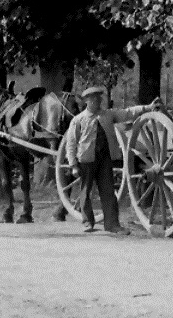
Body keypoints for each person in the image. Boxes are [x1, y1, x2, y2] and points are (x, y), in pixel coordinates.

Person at [58, 85, 162, 236]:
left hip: (105, 159)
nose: (98, 102)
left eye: (99, 99)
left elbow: (128, 113)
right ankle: (87, 222)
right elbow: (71, 143)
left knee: (108, 191)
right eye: (94, 99)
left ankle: (112, 224)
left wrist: (148, 107)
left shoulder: (108, 115)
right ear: (87, 101)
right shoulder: (78, 120)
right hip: (86, 159)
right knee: (85, 191)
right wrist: (73, 165)